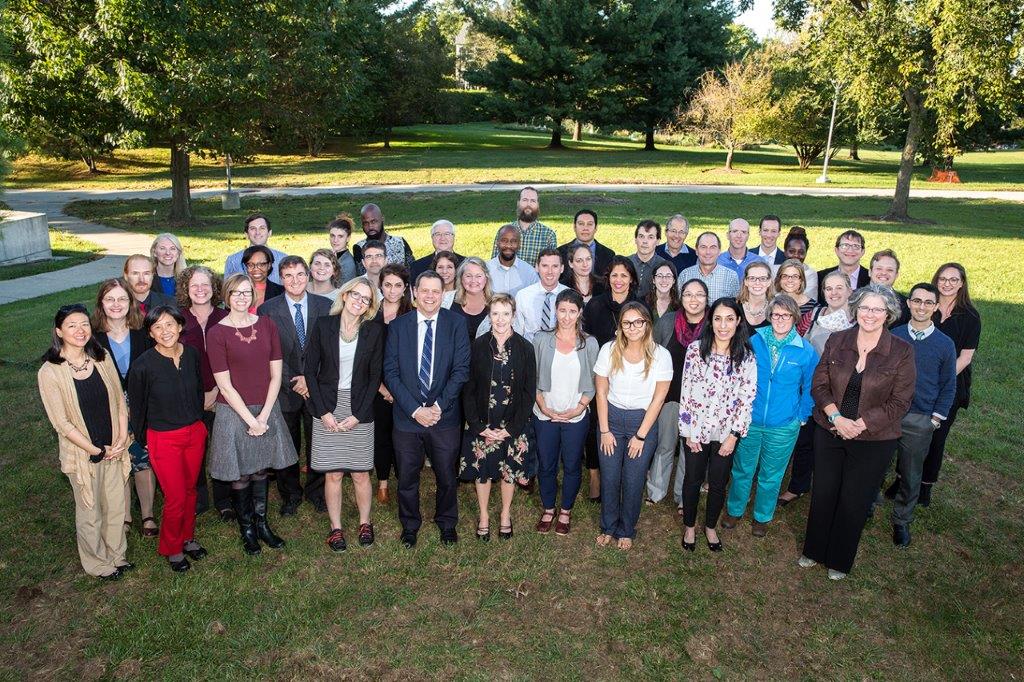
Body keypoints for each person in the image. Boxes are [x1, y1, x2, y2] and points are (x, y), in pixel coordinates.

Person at [799, 284, 915, 580]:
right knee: (824, 492)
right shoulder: (838, 341)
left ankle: (839, 558)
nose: (870, 314)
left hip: (873, 440)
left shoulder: (901, 352)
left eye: (877, 309)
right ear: (855, 310)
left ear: (889, 314)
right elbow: (819, 385)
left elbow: (900, 402)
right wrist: (836, 417)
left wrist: (860, 424)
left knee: (854, 498)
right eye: (864, 307)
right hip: (830, 429)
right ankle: (813, 549)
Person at [38, 304, 131, 581]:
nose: (80, 331)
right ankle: (98, 564)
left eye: (84, 324)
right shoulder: (50, 372)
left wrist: (121, 438)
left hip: (114, 447)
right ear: (59, 332)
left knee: (115, 506)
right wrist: (95, 450)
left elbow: (118, 401)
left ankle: (117, 555)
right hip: (84, 454)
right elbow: (62, 423)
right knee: (91, 511)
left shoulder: (101, 358)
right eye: (71, 326)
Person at [206, 274, 298, 555]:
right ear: (226, 295)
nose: (242, 297)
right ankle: (246, 528)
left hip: (266, 408)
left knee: (260, 469)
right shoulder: (217, 332)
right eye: (236, 292)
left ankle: (262, 524)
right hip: (234, 411)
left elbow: (276, 375)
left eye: (247, 292)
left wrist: (265, 416)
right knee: (241, 473)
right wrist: (251, 420)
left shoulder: (267, 325)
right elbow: (224, 384)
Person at [383, 271, 471, 547]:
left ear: (443, 294)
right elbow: (391, 372)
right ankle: (410, 525)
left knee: (446, 474)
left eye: (436, 291)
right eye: (425, 291)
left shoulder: (456, 324)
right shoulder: (399, 326)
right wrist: (414, 410)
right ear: (414, 292)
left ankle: (447, 522)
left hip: (443, 417)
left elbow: (460, 370)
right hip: (407, 419)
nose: (430, 296)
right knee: (407, 476)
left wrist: (437, 406)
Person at [722, 294, 818, 536]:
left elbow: (810, 388)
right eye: (776, 315)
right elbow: (739, 377)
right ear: (769, 316)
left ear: (795, 318)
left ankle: (762, 516)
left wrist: (800, 417)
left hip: (783, 425)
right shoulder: (755, 341)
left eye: (786, 315)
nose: (780, 319)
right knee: (743, 469)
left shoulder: (805, 351)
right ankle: (734, 510)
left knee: (771, 474)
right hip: (750, 421)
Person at [304, 278, 385, 551]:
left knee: (361, 473)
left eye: (366, 299)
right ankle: (335, 528)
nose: (359, 301)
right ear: (345, 294)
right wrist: (323, 411)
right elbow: (310, 372)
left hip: (359, 406)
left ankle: (365, 522)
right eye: (355, 295)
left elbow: (375, 377)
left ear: (370, 306)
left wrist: (358, 415)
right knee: (334, 473)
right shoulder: (323, 325)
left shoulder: (374, 331)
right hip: (327, 405)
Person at [126, 306, 209, 572]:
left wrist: (198, 422)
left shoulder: (192, 354)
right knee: (174, 496)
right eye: (158, 327)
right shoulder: (142, 366)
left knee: (190, 490)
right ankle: (172, 547)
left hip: (193, 433)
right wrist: (144, 439)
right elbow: (137, 408)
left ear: (180, 326)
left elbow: (198, 390)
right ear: (150, 333)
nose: (165, 331)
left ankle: (187, 538)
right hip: (163, 438)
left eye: (170, 324)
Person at [679, 298, 757, 553]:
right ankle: (690, 525)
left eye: (729, 319)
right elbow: (686, 393)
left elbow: (747, 398)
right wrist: (689, 432)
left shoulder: (746, 357)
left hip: (726, 433)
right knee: (692, 479)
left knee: (718, 481)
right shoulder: (694, 350)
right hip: (696, 431)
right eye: (718, 319)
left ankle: (710, 526)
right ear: (710, 322)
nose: (723, 325)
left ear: (738, 322)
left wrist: (734, 435)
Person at [593, 302, 672, 551]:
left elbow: (659, 398)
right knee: (610, 476)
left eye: (638, 321)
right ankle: (608, 526)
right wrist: (604, 430)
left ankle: (626, 529)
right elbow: (601, 391)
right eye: (627, 322)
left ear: (647, 324)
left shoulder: (661, 355)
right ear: (620, 326)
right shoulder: (609, 349)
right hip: (612, 420)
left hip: (642, 423)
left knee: (633, 478)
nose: (633, 327)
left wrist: (640, 436)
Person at [257, 256, 333, 515]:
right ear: (280, 278)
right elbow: (267, 351)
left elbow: (329, 350)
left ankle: (317, 490)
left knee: (318, 442)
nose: (295, 280)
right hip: (284, 387)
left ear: (308, 275)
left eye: (300, 274)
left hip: (316, 388)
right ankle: (290, 494)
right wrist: (294, 379)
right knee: (287, 444)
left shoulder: (325, 306)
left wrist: (310, 380)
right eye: (288, 276)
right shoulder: (267, 310)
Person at [460, 294, 537, 540]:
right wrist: (478, 425)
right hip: (484, 421)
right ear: (489, 316)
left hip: (512, 422)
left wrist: (512, 429)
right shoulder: (478, 346)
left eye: (505, 313)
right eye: (495, 313)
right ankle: (484, 515)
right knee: (482, 470)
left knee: (509, 470)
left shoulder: (525, 348)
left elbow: (529, 392)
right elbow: (468, 388)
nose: (500, 319)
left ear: (513, 315)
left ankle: (505, 514)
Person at [886, 283, 957, 547]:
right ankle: (867, 506)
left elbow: (949, 384)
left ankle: (902, 520)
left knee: (911, 472)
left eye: (928, 302)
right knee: (875, 465)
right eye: (917, 301)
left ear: (936, 307)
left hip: (920, 417)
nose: (921, 306)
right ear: (908, 304)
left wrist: (935, 418)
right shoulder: (894, 335)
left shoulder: (944, 344)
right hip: (888, 412)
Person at [777, 270, 855, 507]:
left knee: (833, 440)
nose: (833, 292)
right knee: (804, 438)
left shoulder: (857, 320)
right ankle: (798, 485)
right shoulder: (813, 315)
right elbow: (798, 342)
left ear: (849, 291)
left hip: (840, 388)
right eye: (829, 288)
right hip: (809, 384)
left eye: (839, 288)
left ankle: (835, 488)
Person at [91, 278, 158, 538]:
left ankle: (148, 514)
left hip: (142, 408)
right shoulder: (93, 339)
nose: (116, 304)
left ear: (131, 302)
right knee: (119, 460)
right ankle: (125, 515)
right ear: (101, 304)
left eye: (122, 299)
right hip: (108, 411)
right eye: (110, 299)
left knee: (143, 460)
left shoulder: (143, 334)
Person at [532, 290, 598, 536]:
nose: (567, 316)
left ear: (579, 312)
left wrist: (578, 408)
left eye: (572, 311)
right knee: (547, 464)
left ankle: (565, 510)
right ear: (555, 310)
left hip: (576, 416)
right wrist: (543, 406)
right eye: (562, 310)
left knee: (571, 465)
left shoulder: (589, 343)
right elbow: (534, 376)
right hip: (544, 414)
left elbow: (594, 380)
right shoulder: (541, 339)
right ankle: (548, 508)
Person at [582, 256, 643, 502]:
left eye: (624, 276)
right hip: (598, 377)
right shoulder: (595, 306)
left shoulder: (638, 308)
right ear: (608, 279)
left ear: (632, 280)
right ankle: (595, 477)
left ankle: (621, 479)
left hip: (629, 379)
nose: (619, 280)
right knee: (594, 426)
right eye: (614, 275)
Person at [919, 262, 981, 506]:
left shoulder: (970, 316)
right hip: (920, 380)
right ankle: (902, 478)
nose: (947, 283)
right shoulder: (926, 308)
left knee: (936, 436)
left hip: (951, 384)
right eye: (943, 278)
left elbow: (965, 357)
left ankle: (925, 486)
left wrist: (941, 380)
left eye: (953, 279)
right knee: (912, 433)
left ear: (962, 283)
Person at [176, 266, 232, 520]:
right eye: (194, 285)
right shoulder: (176, 319)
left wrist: (217, 390)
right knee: (194, 449)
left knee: (222, 447)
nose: (200, 290)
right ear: (186, 290)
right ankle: (197, 498)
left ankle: (225, 499)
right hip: (187, 397)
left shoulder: (226, 316)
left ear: (214, 288)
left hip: (224, 394)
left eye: (205, 285)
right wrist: (200, 396)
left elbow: (236, 359)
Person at [650, 278, 709, 512]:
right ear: (681, 297)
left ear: (707, 299)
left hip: (699, 402)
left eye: (699, 295)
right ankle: (656, 490)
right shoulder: (668, 321)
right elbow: (652, 354)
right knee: (665, 445)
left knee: (690, 450)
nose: (693, 300)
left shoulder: (713, 325)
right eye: (688, 294)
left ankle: (684, 495)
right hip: (670, 395)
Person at [372, 264, 414, 504]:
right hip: (376, 386)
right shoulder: (369, 314)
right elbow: (365, 356)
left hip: (405, 388)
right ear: (381, 286)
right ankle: (383, 482)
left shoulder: (412, 315)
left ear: (405, 287)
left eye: (398, 285)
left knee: (404, 435)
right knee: (382, 434)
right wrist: (381, 388)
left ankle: (405, 478)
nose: (392, 290)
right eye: (387, 285)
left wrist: (399, 391)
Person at [489, 186, 557, 266]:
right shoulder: (504, 231)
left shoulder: (548, 235)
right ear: (518, 203)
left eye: (533, 201)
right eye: (525, 200)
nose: (528, 204)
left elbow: (551, 268)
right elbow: (493, 265)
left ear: (538, 205)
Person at [511, 248, 567, 342]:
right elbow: (517, 331)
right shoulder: (523, 296)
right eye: (545, 266)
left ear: (562, 268)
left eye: (555, 266)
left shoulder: (570, 296)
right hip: (530, 352)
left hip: (561, 352)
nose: (550, 271)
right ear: (537, 267)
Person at [223, 213, 288, 284]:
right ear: (246, 234)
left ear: (269, 233)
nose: (257, 232)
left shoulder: (283, 259)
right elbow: (227, 290)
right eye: (253, 228)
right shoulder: (233, 261)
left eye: (262, 228)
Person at [677, 232, 740, 302]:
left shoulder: (731, 276)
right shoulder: (685, 275)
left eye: (713, 247)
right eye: (703, 247)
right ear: (697, 251)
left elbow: (735, 306)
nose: (708, 252)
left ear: (719, 251)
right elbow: (679, 304)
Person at [352, 203, 415, 268]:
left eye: (374, 221)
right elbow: (361, 274)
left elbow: (413, 269)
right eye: (366, 223)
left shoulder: (400, 243)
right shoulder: (359, 248)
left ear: (382, 219)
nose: (370, 227)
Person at [558, 209, 615, 278]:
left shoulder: (609, 255)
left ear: (596, 228)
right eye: (581, 224)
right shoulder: (560, 252)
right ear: (574, 227)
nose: (585, 228)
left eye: (590, 224)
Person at [816, 229, 870, 301]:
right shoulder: (820, 277)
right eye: (845, 245)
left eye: (856, 246)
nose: (850, 250)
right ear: (837, 250)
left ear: (862, 252)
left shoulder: (870, 278)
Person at [487, 224, 539, 296]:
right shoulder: (486, 269)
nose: (508, 245)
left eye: (513, 241)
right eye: (504, 241)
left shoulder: (530, 272)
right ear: (497, 242)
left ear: (519, 244)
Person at [450, 257, 492, 342]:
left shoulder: (498, 302)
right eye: (468, 276)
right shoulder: (446, 300)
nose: (473, 280)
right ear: (461, 278)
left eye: (478, 276)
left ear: (486, 279)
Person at [773, 259, 817, 334]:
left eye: (795, 276)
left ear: (801, 280)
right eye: (785, 276)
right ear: (779, 279)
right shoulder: (771, 303)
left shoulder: (814, 307)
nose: (790, 280)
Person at [869, 249, 911, 327]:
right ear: (870, 272)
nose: (884, 273)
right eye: (879, 268)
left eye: (890, 270)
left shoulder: (906, 306)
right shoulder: (853, 298)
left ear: (896, 275)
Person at [629, 219, 668, 298]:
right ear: (635, 239)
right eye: (641, 236)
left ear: (657, 241)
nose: (645, 241)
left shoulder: (664, 267)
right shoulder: (625, 263)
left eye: (650, 237)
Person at [242, 245, 284, 311]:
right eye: (250, 265)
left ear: (269, 265)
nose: (256, 269)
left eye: (261, 265)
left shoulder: (281, 292)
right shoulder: (236, 291)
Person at [737, 260, 775, 332]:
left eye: (763, 278)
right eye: (752, 278)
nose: (757, 283)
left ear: (769, 282)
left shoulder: (777, 307)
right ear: (745, 281)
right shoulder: (734, 306)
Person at [782, 226, 817, 300]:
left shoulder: (810, 274)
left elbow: (810, 302)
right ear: (785, 251)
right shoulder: (774, 271)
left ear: (806, 253)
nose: (796, 255)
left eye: (801, 252)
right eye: (792, 251)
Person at [327, 213, 359, 284]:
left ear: (348, 238)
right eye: (332, 236)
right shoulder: (329, 255)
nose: (335, 240)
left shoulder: (347, 264)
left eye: (340, 236)